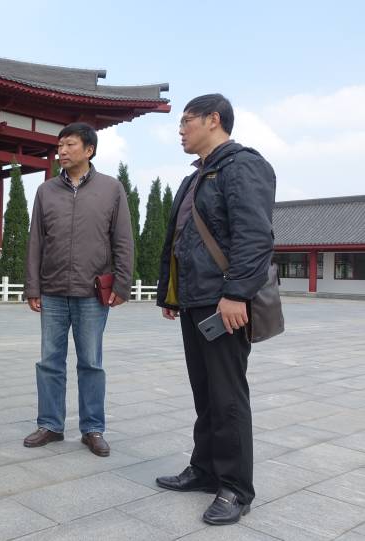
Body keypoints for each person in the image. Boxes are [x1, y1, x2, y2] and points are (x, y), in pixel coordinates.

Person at [154, 94, 276, 525]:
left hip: (224, 301)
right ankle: (205, 470)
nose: (180, 129)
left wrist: (237, 293)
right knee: (204, 392)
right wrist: (170, 294)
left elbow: (255, 236)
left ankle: (236, 487)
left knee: (227, 396)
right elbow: (179, 239)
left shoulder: (242, 166)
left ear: (213, 119)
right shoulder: (195, 178)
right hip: (195, 299)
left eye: (187, 121)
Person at [23, 122, 133, 457]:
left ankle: (93, 428)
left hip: (91, 292)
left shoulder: (111, 189)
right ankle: (50, 425)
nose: (62, 151)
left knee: (91, 363)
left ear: (89, 150)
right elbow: (36, 242)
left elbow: (123, 240)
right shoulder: (46, 191)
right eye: (60, 145)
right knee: (49, 362)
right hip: (53, 290)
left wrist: (123, 284)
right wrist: (33, 286)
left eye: (70, 145)